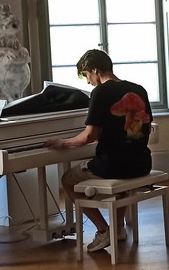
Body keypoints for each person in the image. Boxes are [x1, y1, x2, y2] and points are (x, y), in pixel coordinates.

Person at [45, 49, 152, 252]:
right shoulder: (139, 89)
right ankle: (118, 229)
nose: (87, 82)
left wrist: (64, 142)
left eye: (86, 75)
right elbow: (143, 126)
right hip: (142, 163)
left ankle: (104, 230)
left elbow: (88, 137)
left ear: (95, 70)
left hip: (114, 166)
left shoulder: (100, 92)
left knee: (67, 180)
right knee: (120, 176)